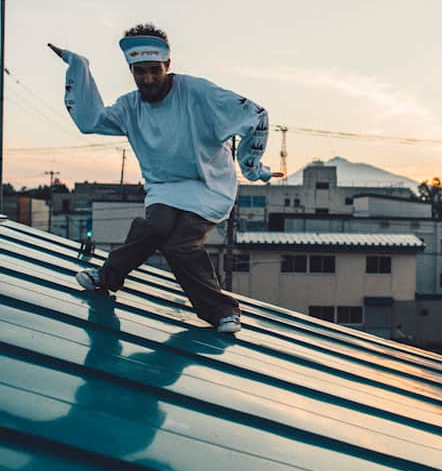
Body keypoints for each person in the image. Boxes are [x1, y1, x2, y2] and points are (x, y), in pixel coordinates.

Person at [49, 23, 281, 333]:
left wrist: (254, 168)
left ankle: (223, 312)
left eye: (154, 70)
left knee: (179, 245)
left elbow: (255, 115)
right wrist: (79, 66)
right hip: (165, 187)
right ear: (131, 69)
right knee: (155, 227)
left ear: (167, 65)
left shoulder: (198, 92)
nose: (147, 78)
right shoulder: (130, 106)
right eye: (139, 71)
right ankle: (106, 278)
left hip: (208, 184)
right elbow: (91, 120)